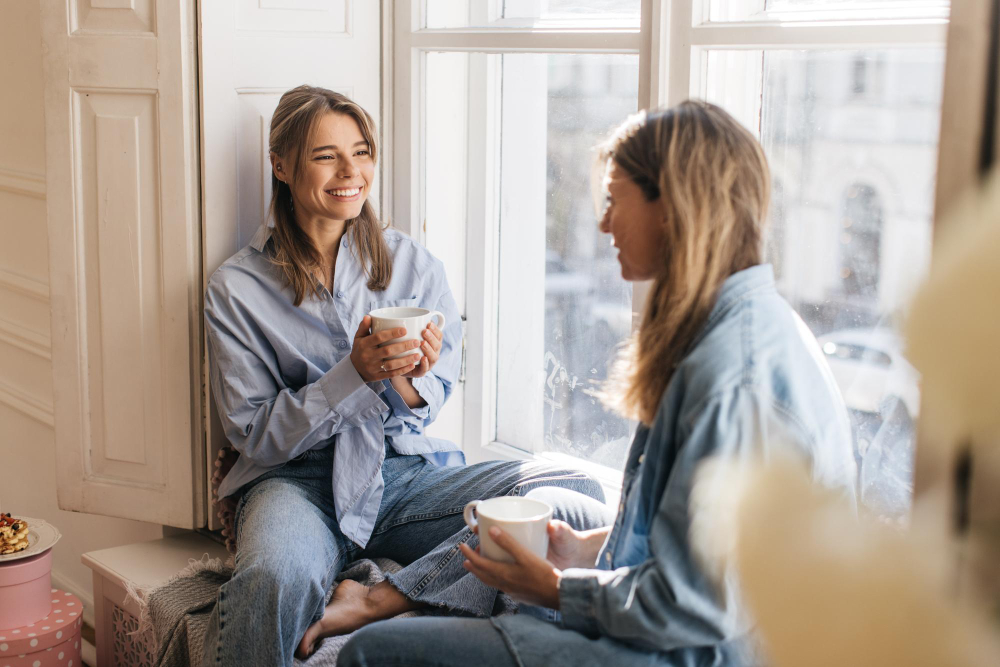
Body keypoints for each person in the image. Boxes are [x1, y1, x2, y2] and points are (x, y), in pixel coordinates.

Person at [336, 100, 859, 666]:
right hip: (704, 611)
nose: (604, 222)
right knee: (557, 507)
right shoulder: (737, 320)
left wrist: (559, 589)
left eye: (614, 200)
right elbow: (697, 535)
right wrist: (585, 550)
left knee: (372, 654)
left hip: (697, 651)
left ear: (674, 208)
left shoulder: (734, 377)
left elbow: (698, 606)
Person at [200, 85, 611, 667]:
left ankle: (375, 601)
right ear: (281, 165)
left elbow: (428, 399)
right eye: (326, 156)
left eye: (362, 151)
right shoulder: (235, 290)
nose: (352, 171)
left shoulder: (413, 265)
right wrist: (352, 374)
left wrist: (405, 379)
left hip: (403, 475)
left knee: (574, 494)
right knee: (272, 579)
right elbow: (256, 436)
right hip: (296, 483)